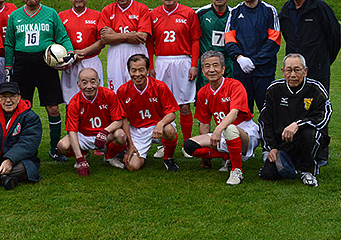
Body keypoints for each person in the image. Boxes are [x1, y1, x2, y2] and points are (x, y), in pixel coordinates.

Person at [5, 0, 75, 162]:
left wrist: (70, 53)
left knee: (52, 108)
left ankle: (54, 149)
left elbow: (63, 36)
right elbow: (9, 44)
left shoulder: (51, 14)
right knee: (21, 108)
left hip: (45, 64)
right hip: (22, 65)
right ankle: (20, 148)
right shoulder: (15, 16)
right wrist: (8, 68)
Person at [183, 51, 261, 185]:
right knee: (189, 146)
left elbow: (234, 113)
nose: (211, 69)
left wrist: (218, 130)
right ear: (202, 70)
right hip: (223, 133)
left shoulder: (235, 85)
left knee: (230, 129)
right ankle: (228, 156)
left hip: (245, 131)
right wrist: (205, 152)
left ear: (223, 69)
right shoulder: (203, 92)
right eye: (207, 66)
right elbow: (204, 122)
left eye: (215, 65)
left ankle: (237, 170)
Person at [259, 54, 332, 187]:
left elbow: (324, 116)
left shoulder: (315, 89)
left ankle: (307, 170)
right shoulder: (274, 89)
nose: (292, 74)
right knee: (267, 175)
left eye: (297, 70)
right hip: (282, 143)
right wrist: (271, 148)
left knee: (311, 134)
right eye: (289, 70)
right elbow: (265, 122)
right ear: (283, 71)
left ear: (305, 71)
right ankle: (291, 163)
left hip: (305, 140)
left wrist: (298, 124)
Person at [148, 0, 201, 145]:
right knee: (162, 105)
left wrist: (194, 65)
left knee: (184, 105)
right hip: (162, 62)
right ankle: (165, 142)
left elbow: (195, 40)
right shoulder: (153, 14)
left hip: (183, 62)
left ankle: (187, 143)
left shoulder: (188, 13)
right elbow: (149, 42)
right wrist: (150, 64)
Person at [225, 0, 280, 113]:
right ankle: (246, 136)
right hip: (241, 72)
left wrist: (253, 61)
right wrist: (239, 58)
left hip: (264, 72)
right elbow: (229, 38)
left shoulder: (269, 10)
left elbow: (274, 40)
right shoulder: (235, 12)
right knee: (243, 112)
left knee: (267, 112)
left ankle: (267, 135)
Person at [57, 68, 126, 176]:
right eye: (84, 82)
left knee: (121, 135)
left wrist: (105, 132)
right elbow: (72, 131)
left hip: (104, 136)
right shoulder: (74, 102)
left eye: (93, 82)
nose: (89, 86)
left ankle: (110, 157)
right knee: (62, 146)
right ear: (78, 85)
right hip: (83, 136)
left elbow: (118, 121)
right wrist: (79, 158)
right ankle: (83, 154)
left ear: (99, 82)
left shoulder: (109, 94)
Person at [117, 54, 180, 172]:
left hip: (158, 127)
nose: (137, 74)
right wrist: (130, 144)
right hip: (138, 130)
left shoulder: (159, 86)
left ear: (147, 70)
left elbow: (172, 113)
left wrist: (160, 124)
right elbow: (123, 119)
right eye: (133, 70)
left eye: (141, 70)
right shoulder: (122, 91)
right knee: (132, 166)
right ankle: (128, 150)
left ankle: (168, 158)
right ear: (128, 71)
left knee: (169, 130)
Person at [279, 0, 339, 92]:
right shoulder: (286, 10)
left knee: (318, 106)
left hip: (317, 70)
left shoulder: (319, 7)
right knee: (296, 107)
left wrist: (323, 60)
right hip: (294, 72)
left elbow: (335, 36)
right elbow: (287, 36)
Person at [98, 0, 151, 92]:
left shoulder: (142, 8)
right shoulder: (107, 10)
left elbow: (142, 37)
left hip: (136, 51)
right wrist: (129, 35)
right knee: (117, 91)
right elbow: (105, 38)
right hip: (115, 54)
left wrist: (114, 34)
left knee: (138, 89)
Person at [58, 0, 105, 104]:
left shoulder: (97, 15)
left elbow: (102, 41)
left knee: (94, 98)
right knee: (71, 101)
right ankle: (71, 123)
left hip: (91, 61)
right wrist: (68, 56)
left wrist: (84, 52)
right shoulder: (61, 16)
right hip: (70, 64)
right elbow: (56, 42)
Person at [196, 0, 233, 90]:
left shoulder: (234, 15)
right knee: (205, 98)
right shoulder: (200, 14)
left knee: (227, 97)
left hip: (228, 63)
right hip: (206, 64)